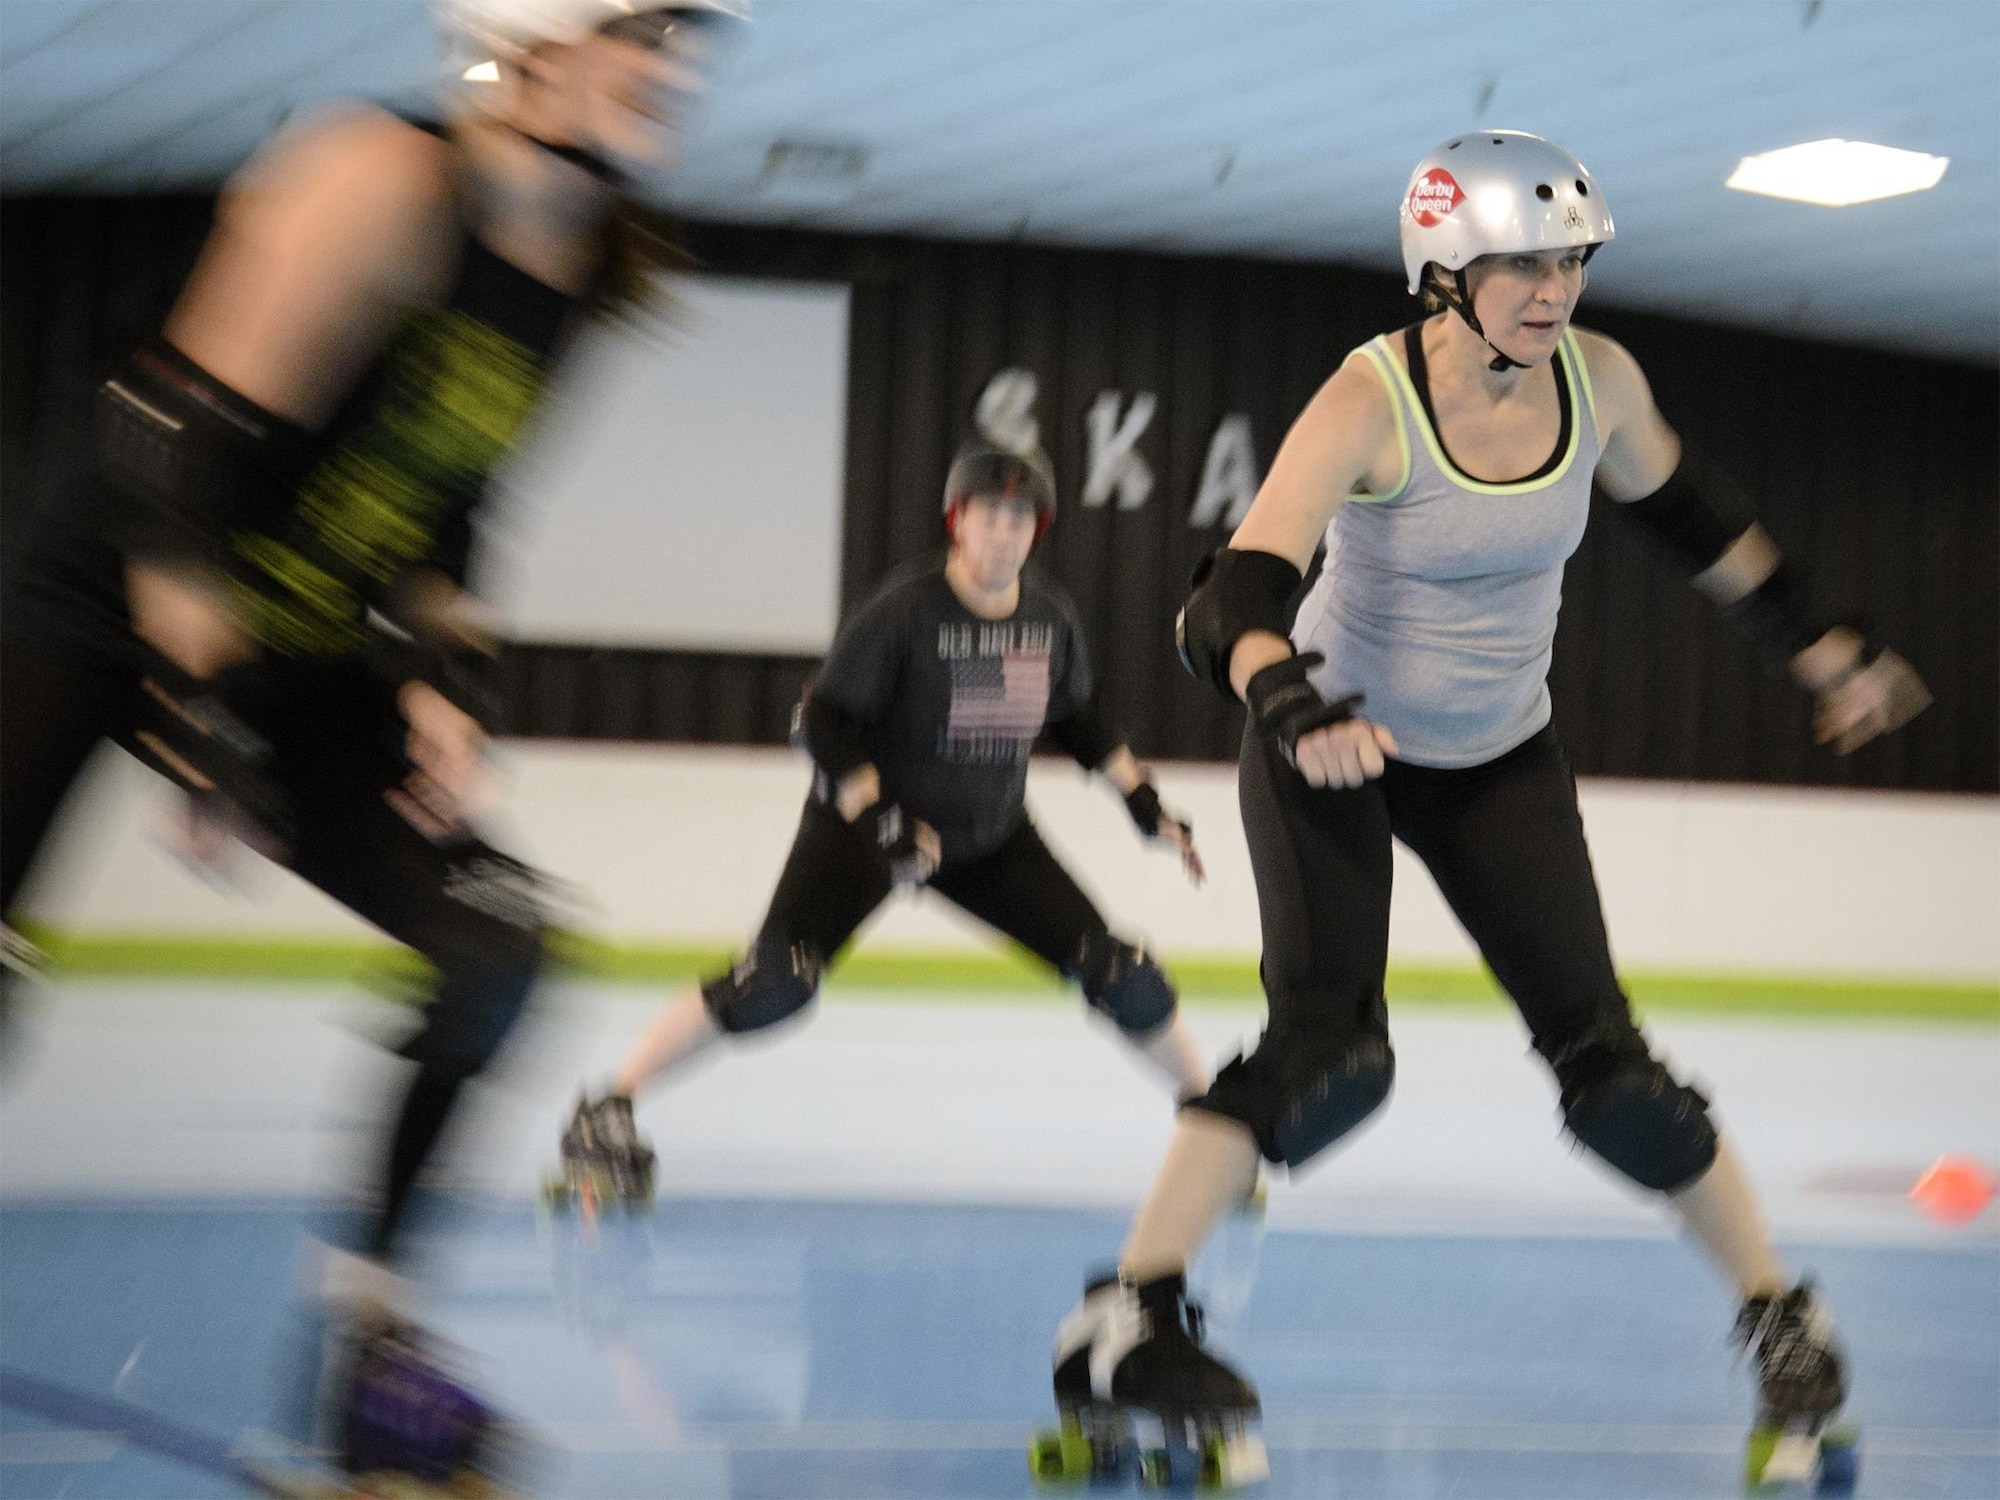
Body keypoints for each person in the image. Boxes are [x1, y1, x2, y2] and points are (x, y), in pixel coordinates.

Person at [1039, 130, 1929, 1493]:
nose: (1552, 287)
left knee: (1614, 1071)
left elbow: (1697, 518)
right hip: (1330, 745)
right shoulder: (1371, 398)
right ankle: (1128, 1316)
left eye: (1570, 258)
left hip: (1500, 755)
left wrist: (1822, 639)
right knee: (1328, 1059)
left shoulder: (1599, 383)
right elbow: (1223, 602)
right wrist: (1291, 704)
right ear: (1445, 270)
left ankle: (1776, 1313)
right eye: (1521, 261)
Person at [0, 0, 742, 1485]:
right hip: (105, 600)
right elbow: (168, 439)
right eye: (642, 35)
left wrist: (445, 677)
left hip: (298, 642)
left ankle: (371, 1359)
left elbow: (450, 495)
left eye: (683, 40)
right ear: (532, 40)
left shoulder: (580, 258)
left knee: (496, 946)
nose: (673, 68)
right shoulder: (380, 175)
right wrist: (199, 711)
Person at [555, 442, 1213, 1207]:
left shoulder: (1049, 618)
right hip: (862, 833)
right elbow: (822, 724)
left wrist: (1143, 802)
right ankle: (610, 1105)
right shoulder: (906, 610)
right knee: (777, 982)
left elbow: (1080, 719)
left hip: (986, 839)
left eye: (1020, 519)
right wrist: (882, 818)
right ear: (956, 523)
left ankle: (1210, 1118)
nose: (1003, 533)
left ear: (1039, 531)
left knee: (1122, 972)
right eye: (987, 516)